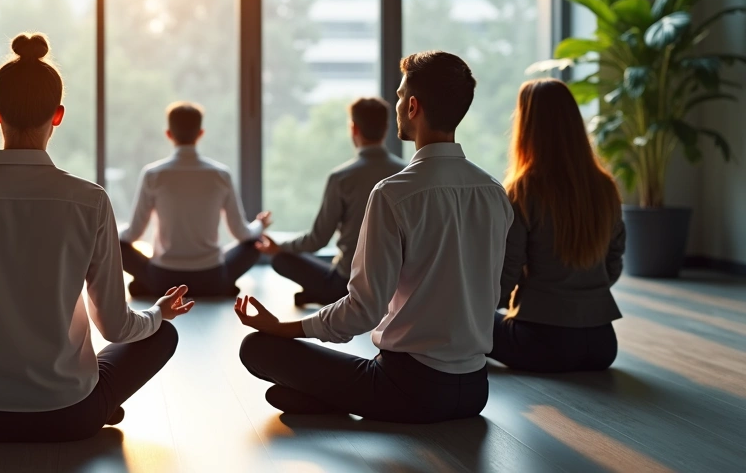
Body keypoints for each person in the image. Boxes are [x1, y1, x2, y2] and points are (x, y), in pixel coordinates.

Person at [0, 33, 193, 443]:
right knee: (162, 335)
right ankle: (99, 407)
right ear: (58, 115)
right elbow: (116, 328)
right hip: (71, 415)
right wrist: (157, 313)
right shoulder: (91, 200)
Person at [234, 51, 513, 424]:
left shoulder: (394, 193)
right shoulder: (493, 191)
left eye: (399, 96)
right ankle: (338, 396)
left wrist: (282, 329)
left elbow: (363, 310)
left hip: (409, 389)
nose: (397, 104)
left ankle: (341, 397)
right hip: (475, 390)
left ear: (413, 106)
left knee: (257, 347)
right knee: (287, 388)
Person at [490, 79, 625, 372]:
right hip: (602, 344)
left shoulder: (523, 189)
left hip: (542, 343)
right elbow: (614, 263)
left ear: (526, 126)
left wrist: (485, 309)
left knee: (462, 317)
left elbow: (508, 270)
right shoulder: (605, 187)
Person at [257, 97, 406, 307]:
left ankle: (328, 296)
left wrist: (279, 247)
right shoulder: (406, 173)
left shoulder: (342, 177)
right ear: (387, 128)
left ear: (353, 128)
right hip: (395, 284)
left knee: (281, 259)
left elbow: (318, 240)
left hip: (348, 282)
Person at [118, 102, 272, 298]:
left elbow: (132, 234)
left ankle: (150, 286)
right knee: (256, 242)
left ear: (169, 134)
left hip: (162, 278)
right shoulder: (220, 174)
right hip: (211, 276)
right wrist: (259, 224)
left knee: (114, 245)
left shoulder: (153, 174)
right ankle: (220, 286)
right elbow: (242, 233)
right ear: (201, 133)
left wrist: (111, 234)